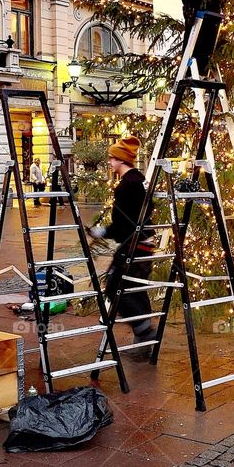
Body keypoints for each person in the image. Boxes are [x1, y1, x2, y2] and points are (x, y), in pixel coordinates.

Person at [88, 137, 157, 360]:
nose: (109, 162)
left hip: (133, 245)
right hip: (145, 243)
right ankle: (144, 342)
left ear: (120, 160)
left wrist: (103, 232)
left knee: (114, 286)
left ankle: (144, 332)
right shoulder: (141, 180)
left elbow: (122, 224)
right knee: (136, 289)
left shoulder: (126, 185)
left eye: (112, 158)